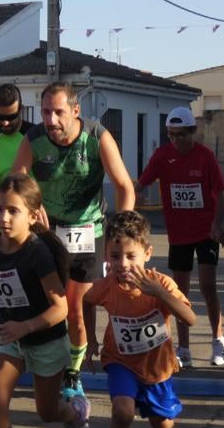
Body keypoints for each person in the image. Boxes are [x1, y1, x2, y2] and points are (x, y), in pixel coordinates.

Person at [12, 81, 135, 397]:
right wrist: (31, 205)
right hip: (49, 231)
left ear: (76, 111)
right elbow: (17, 181)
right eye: (45, 112)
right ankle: (46, 362)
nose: (50, 120)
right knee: (48, 303)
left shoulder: (97, 137)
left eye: (58, 112)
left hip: (87, 230)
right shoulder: (34, 139)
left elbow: (124, 187)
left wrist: (121, 236)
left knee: (74, 306)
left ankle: (73, 373)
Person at [0, 174, 90, 428]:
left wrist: (25, 327)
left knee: (47, 412)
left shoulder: (37, 253)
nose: (3, 217)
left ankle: (74, 414)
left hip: (44, 338)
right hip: (9, 335)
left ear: (32, 214)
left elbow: (60, 309)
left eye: (13, 211)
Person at [83, 210, 196, 428]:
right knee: (122, 411)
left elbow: (190, 318)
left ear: (147, 254)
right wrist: (91, 340)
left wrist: (160, 294)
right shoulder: (106, 286)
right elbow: (87, 300)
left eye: (131, 256)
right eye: (115, 256)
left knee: (163, 424)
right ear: (106, 256)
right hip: (120, 360)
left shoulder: (161, 284)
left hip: (156, 367)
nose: (123, 264)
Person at [137, 107, 224, 368]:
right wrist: (136, 194)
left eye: (181, 135)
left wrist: (217, 225)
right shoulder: (162, 156)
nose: (176, 140)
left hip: (206, 230)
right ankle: (184, 348)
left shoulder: (205, 157)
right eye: (171, 135)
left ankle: (218, 339)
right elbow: (142, 182)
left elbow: (220, 195)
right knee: (179, 292)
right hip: (178, 233)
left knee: (208, 286)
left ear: (193, 132)